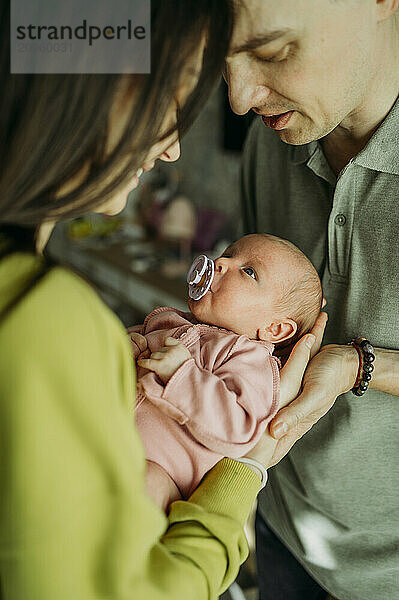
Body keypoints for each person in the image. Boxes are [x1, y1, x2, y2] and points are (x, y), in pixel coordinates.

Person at [0, 2, 329, 599]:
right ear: (92, 90)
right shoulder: (42, 318)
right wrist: (248, 470)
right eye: (170, 97)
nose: (175, 145)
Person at [224, 0, 399, 598]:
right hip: (279, 526)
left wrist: (359, 365)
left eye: (271, 52)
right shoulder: (269, 141)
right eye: (224, 64)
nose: (240, 99)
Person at [129, 234, 322, 510]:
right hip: (108, 433)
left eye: (249, 271)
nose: (220, 262)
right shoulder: (171, 321)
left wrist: (182, 374)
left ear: (275, 329)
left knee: (148, 485)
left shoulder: (251, 361)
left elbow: (239, 428)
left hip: (161, 470)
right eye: (229, 254)